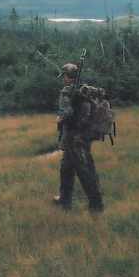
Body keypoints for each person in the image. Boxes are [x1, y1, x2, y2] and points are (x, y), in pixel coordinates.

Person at [53, 63, 104, 212]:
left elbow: (66, 113)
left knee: (84, 170)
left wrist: (59, 118)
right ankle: (64, 200)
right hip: (84, 134)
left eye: (65, 76)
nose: (63, 79)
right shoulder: (86, 89)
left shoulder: (67, 92)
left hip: (74, 137)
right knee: (66, 169)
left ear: (68, 77)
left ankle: (96, 205)